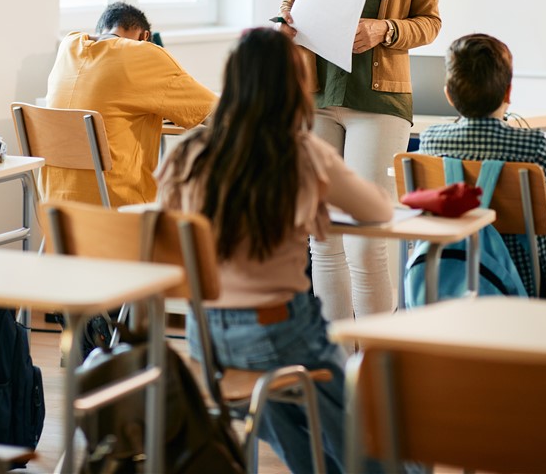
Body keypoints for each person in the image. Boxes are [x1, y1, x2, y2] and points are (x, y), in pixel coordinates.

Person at [157, 28, 395, 474]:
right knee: (363, 435)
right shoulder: (301, 154)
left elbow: (167, 232)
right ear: (294, 86)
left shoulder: (188, 154)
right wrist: (313, 198)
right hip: (279, 333)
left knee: (287, 419)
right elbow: (378, 209)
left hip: (204, 335)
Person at [279, 0, 441, 320]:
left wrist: (383, 30)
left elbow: (430, 22)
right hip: (314, 92)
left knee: (366, 241)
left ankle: (376, 368)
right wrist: (285, 22)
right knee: (322, 237)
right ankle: (333, 369)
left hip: (378, 97)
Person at [417, 34, 546, 301]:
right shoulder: (530, 147)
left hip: (459, 277)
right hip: (540, 281)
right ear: (508, 92)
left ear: (448, 94)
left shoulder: (430, 142)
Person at [43, 1, 215, 206]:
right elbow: (219, 113)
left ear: (101, 31)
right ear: (145, 37)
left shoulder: (69, 46)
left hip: (56, 214)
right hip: (118, 211)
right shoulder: (143, 53)